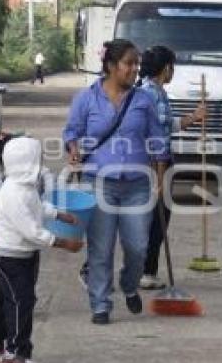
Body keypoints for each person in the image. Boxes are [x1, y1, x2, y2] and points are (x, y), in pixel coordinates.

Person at [64, 39, 169, 325]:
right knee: (101, 247)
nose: (135, 69)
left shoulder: (143, 101)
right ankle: (100, 304)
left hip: (138, 186)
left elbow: (158, 140)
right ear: (111, 66)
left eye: (136, 64)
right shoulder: (86, 99)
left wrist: (160, 179)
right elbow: (71, 132)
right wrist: (72, 149)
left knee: (138, 246)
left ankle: (129, 283)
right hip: (98, 183)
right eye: (129, 63)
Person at [0, 137, 82, 363]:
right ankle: (16, 354)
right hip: (9, 257)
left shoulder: (25, 187)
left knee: (7, 300)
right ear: (26, 162)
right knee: (21, 302)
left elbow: (37, 207)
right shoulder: (14, 192)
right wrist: (65, 243)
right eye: (38, 158)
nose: (41, 162)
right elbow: (32, 232)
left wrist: (59, 215)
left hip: (22, 254)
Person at [135, 46, 205, 290]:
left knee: (150, 218)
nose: (173, 71)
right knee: (157, 219)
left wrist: (194, 117)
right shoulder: (153, 94)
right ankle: (146, 271)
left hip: (148, 163)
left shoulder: (149, 91)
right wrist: (161, 176)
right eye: (172, 66)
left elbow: (167, 125)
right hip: (155, 164)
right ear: (166, 68)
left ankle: (142, 269)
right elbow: (159, 140)